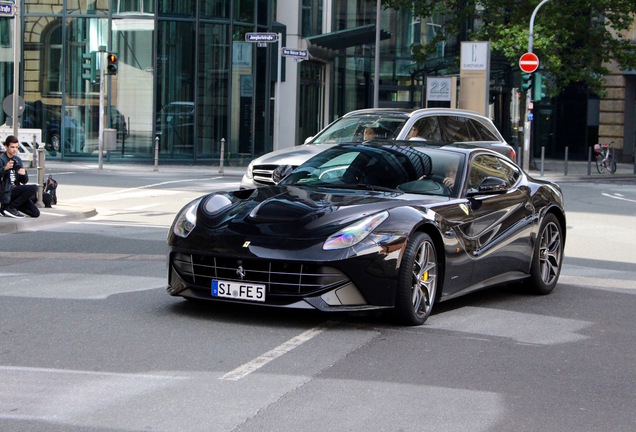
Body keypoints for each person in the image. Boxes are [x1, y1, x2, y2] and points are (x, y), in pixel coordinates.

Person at [0, 135, 40, 218]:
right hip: (6, 191)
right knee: (34, 187)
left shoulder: (17, 160)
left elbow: (24, 181)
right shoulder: (1, 159)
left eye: (16, 147)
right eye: (12, 147)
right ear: (6, 147)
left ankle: (8, 208)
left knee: (35, 213)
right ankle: (10, 207)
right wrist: (4, 169)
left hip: (16, 190)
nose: (15, 149)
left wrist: (24, 174)